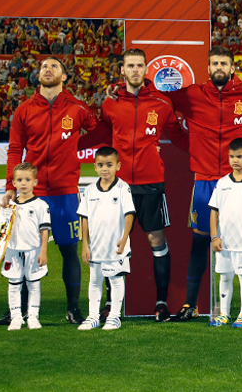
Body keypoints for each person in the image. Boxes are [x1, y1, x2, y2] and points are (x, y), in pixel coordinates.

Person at [166, 46, 242, 322]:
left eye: (224, 63)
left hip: (237, 182)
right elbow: (158, 99)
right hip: (203, 180)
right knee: (200, 241)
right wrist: (190, 146)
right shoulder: (192, 95)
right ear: (209, 67)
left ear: (232, 67)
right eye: (214, 63)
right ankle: (190, 303)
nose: (219, 68)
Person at [83, 48, 189, 322]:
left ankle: (161, 303)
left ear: (145, 69)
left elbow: (178, 136)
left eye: (139, 65)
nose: (135, 70)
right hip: (117, 186)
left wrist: (207, 151)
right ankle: (110, 304)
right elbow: (101, 132)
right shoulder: (110, 103)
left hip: (150, 182)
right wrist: (70, 145)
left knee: (157, 241)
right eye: (130, 65)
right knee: (111, 244)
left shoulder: (162, 103)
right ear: (123, 70)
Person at [0, 56, 99, 326]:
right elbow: (14, 150)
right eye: (44, 66)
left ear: (64, 77)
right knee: (22, 251)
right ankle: (16, 310)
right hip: (30, 195)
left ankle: (72, 308)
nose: (47, 69)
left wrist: (76, 147)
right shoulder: (24, 110)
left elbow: (100, 133)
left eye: (54, 66)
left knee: (68, 250)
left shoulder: (78, 108)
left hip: (65, 192)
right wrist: (11, 186)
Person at [206, 138, 242, 329]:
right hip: (224, 241)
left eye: (239, 156)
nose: (235, 160)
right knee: (225, 277)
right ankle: (224, 314)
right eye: (232, 156)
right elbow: (214, 211)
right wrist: (214, 236)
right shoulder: (222, 183)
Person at [77, 147, 135, 331]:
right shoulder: (89, 191)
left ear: (118, 165)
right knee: (94, 280)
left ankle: (114, 317)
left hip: (115, 245)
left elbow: (129, 214)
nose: (105, 169)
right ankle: (93, 316)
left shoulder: (123, 188)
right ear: (94, 167)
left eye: (109, 165)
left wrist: (125, 238)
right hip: (96, 246)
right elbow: (84, 218)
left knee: (116, 279)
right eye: (101, 165)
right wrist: (85, 244)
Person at [1, 162, 50, 331]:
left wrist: (43, 250)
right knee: (14, 283)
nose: (23, 183)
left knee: (33, 284)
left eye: (27, 179)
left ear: (35, 182)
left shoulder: (41, 205)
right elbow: (2, 229)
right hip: (13, 250)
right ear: (13, 183)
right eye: (19, 180)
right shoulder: (10, 206)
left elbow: (44, 230)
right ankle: (16, 318)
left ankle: (33, 317)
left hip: (33, 250)